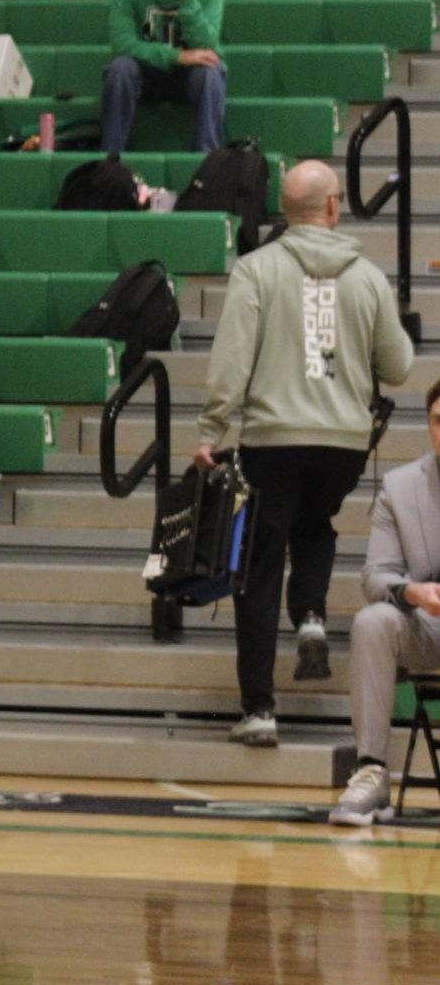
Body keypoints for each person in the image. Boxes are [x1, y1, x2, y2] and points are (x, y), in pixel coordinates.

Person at [193, 160, 414, 749]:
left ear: (283, 211)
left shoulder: (257, 271)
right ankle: (311, 617)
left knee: (260, 567)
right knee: (315, 525)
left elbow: (232, 361)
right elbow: (399, 366)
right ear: (335, 206)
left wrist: (212, 429)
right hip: (341, 444)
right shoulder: (366, 277)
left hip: (272, 439)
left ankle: (260, 709)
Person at [331, 381, 440, 826]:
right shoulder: (400, 487)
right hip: (428, 624)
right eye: (438, 421)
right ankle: (372, 774)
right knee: (373, 621)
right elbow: (375, 575)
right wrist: (411, 592)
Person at [100, 0, 226, 156]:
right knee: (120, 68)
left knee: (211, 72)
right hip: (145, 72)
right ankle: (109, 160)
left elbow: (208, 44)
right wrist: (175, 56)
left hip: (189, 76)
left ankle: (207, 163)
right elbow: (121, 43)